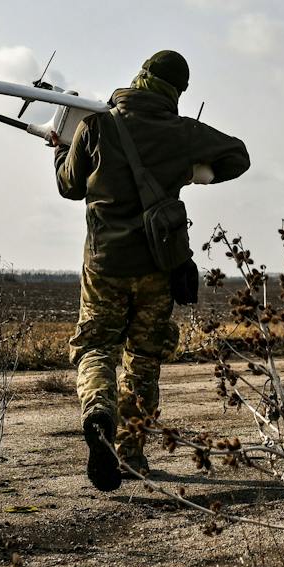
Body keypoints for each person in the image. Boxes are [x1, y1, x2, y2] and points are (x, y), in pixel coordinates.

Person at [51, 50, 249, 491]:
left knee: (96, 345)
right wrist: (198, 173)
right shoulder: (184, 132)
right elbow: (239, 156)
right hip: (158, 266)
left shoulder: (96, 125)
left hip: (104, 263)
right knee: (143, 360)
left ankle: (97, 411)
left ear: (140, 77)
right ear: (176, 91)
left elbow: (68, 186)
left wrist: (61, 151)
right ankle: (133, 455)